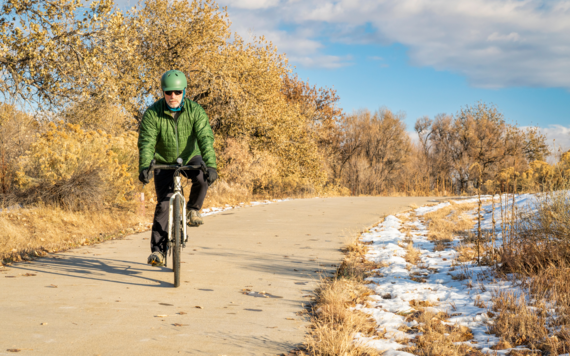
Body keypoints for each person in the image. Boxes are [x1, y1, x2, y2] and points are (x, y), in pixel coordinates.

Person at [138, 70, 217, 267]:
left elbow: (205, 139)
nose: (172, 96)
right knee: (164, 204)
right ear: (163, 92)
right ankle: (158, 251)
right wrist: (145, 166)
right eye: (168, 92)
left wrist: (212, 165)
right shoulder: (153, 113)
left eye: (177, 92)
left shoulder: (195, 111)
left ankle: (192, 209)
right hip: (164, 159)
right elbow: (146, 142)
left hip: (190, 156)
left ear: (184, 91)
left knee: (201, 176)